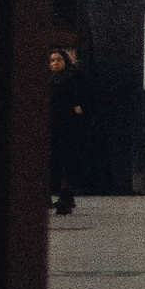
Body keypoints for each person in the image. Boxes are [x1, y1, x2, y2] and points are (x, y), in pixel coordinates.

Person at [47, 44, 87, 217]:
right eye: (52, 61)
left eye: (58, 60)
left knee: (67, 163)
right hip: (52, 126)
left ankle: (66, 196)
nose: (55, 64)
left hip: (68, 127)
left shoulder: (72, 78)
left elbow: (80, 101)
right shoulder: (47, 80)